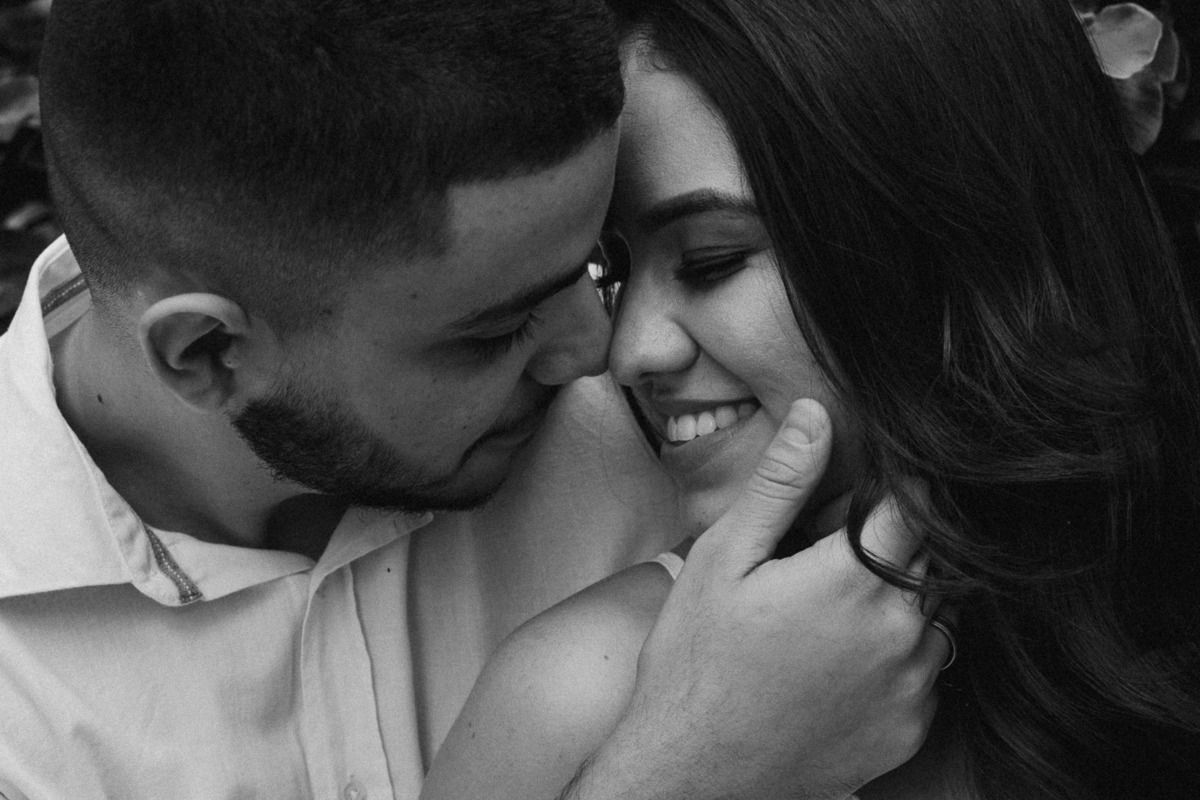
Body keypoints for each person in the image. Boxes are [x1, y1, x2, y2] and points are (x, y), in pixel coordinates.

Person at [0, 1, 948, 797]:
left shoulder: (701, 420)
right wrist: (686, 773)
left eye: (598, 263)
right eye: (497, 331)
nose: (600, 352)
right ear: (208, 354)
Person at [421, 0, 1200, 798]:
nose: (629, 352)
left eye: (712, 259)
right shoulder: (578, 695)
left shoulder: (1159, 609)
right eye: (614, 269)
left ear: (952, 243)